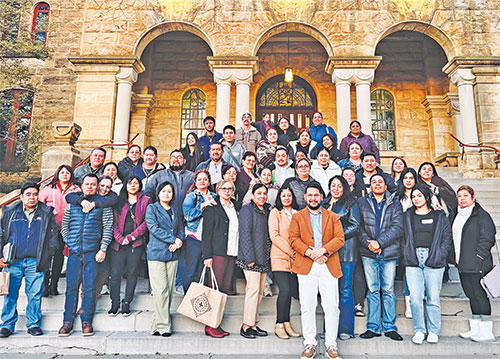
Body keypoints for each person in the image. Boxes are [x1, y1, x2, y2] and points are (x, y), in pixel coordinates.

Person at [289, 182, 345, 359]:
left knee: (331, 307)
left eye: (316, 195)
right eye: (310, 195)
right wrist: (311, 253)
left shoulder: (333, 216)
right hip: (307, 265)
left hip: (328, 263)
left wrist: (323, 251)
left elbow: (340, 239)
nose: (313, 198)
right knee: (307, 306)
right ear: (305, 197)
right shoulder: (297, 217)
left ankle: (331, 345)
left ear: (322, 197)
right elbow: (293, 239)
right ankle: (310, 344)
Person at [0, 182, 58, 338]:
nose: (32, 197)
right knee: (10, 293)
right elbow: (1, 235)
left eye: (35, 194)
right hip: (12, 261)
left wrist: (47, 254)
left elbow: (53, 238)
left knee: (34, 294)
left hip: (35, 261)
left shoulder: (46, 212)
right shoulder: (10, 212)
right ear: (21, 196)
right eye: (28, 194)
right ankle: (7, 325)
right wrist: (0, 256)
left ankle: (33, 324)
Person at [58, 174, 114, 337]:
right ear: (81, 186)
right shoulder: (73, 204)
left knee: (89, 287)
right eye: (87, 184)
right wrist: (69, 242)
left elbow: (107, 228)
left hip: (92, 253)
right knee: (71, 288)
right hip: (75, 253)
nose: (90, 186)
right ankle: (67, 322)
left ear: (97, 187)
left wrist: (102, 249)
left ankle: (86, 321)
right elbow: (65, 226)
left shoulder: (103, 205)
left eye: (93, 184)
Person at [401, 184, 452, 344]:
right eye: (414, 196)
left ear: (426, 197)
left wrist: (440, 255)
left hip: (434, 259)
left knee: (433, 298)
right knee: (415, 298)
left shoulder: (439, 215)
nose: (416, 199)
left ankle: (433, 330)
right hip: (413, 259)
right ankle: (419, 330)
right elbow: (403, 237)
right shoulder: (408, 215)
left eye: (419, 196)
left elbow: (446, 237)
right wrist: (407, 253)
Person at [358, 174, 403, 341]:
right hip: (368, 252)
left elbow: (398, 227)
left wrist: (379, 243)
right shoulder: (362, 202)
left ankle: (390, 327)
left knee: (389, 290)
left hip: (389, 252)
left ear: (385, 186)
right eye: (374, 182)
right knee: (373, 290)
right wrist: (368, 243)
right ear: (370, 186)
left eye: (380, 182)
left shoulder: (395, 203)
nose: (377, 184)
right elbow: (359, 226)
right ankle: (373, 327)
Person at [146, 150, 195, 294]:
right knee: (162, 251)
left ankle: (179, 282)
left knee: (182, 252)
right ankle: (158, 286)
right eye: (173, 157)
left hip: (186, 220)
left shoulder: (191, 176)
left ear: (184, 160)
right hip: (163, 220)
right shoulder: (159, 176)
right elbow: (148, 194)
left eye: (179, 157)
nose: (176, 160)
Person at [452, 185, 496, 342]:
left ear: (473, 197)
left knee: (480, 295)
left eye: (465, 195)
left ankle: (486, 331)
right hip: (462, 263)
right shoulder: (456, 215)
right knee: (471, 295)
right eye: (460, 196)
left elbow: (488, 237)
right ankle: (476, 328)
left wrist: (478, 256)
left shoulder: (481, 215)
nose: (462, 198)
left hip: (478, 264)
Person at [322, 176, 361, 340]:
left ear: (344, 187)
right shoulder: (324, 203)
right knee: (329, 292)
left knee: (345, 290)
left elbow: (355, 225)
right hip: (327, 254)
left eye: (339, 185)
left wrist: (335, 237)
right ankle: (329, 329)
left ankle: (345, 328)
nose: (336, 188)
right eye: (333, 185)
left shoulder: (350, 203)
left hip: (346, 252)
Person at [145, 181, 185, 337]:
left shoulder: (175, 209)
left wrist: (179, 240)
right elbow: (153, 228)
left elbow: (180, 227)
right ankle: (164, 325)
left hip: (173, 253)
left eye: (169, 191)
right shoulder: (152, 208)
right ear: (158, 193)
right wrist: (173, 239)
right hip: (156, 253)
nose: (166, 194)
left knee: (168, 291)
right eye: (163, 191)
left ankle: (156, 323)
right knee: (160, 290)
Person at [108, 176, 152, 316]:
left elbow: (146, 223)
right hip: (118, 244)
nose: (133, 185)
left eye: (136, 183)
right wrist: (120, 238)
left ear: (140, 186)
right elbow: (113, 222)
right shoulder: (119, 201)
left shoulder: (146, 201)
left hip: (136, 243)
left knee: (132, 273)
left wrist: (131, 237)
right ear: (125, 185)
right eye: (130, 183)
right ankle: (114, 302)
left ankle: (127, 302)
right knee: (115, 274)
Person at [202, 179, 240, 338]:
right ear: (218, 191)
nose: (227, 191)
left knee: (223, 289)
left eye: (230, 189)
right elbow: (206, 234)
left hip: (231, 252)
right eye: (223, 188)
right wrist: (207, 256)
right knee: (214, 290)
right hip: (217, 253)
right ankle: (210, 325)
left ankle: (217, 323)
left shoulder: (235, 207)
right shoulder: (213, 208)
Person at [38, 165, 80, 296]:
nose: (65, 175)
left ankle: (54, 284)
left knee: (58, 256)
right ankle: (45, 284)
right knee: (47, 256)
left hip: (66, 227)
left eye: (67, 173)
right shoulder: (49, 189)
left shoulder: (76, 189)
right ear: (57, 174)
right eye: (62, 172)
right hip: (50, 228)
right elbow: (40, 204)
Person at [238, 184, 272, 339]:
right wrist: (250, 258)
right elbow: (245, 234)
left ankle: (252, 324)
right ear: (252, 195)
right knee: (252, 292)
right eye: (259, 193)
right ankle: (245, 326)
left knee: (259, 293)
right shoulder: (247, 210)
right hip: (251, 259)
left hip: (263, 258)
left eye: (264, 193)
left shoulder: (266, 211)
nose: (262, 196)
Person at [268, 185, 300, 340]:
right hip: (280, 257)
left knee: (291, 292)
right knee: (285, 290)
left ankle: (287, 323)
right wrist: (290, 251)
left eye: (289, 195)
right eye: (284, 196)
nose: (286, 198)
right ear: (279, 198)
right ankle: (279, 324)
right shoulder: (276, 213)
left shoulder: (298, 213)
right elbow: (274, 235)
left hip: (296, 259)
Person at [182, 170, 216, 293]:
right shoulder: (191, 196)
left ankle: (201, 303)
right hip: (194, 237)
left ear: (209, 182)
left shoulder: (214, 196)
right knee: (191, 270)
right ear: (195, 182)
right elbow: (187, 216)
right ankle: (188, 299)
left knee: (204, 271)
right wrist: (203, 206)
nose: (202, 181)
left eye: (205, 179)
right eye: (199, 179)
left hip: (209, 238)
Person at [397, 167, 419, 318]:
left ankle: (418, 301)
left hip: (419, 237)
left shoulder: (422, 194)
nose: (408, 181)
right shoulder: (397, 197)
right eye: (406, 178)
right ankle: (409, 304)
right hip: (403, 238)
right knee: (407, 270)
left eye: (411, 178)